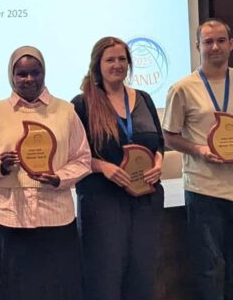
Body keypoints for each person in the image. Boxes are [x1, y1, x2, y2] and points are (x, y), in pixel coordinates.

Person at [162, 18, 233, 300]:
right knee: (207, 269)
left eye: (221, 41)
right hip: (204, 190)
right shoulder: (182, 88)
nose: (215, 47)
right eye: (209, 42)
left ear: (231, 44)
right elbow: (169, 137)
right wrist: (199, 150)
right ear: (197, 46)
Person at [0, 46, 92, 300]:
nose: (29, 79)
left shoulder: (65, 111)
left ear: (44, 72)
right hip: (9, 216)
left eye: (35, 72)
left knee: (56, 289)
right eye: (22, 74)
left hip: (55, 216)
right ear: (11, 76)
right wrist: (1, 166)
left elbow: (83, 159)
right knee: (12, 290)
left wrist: (59, 178)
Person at [71, 36, 164, 300]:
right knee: (105, 277)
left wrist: (158, 163)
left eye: (122, 59)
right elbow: (72, 156)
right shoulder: (82, 104)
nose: (117, 64)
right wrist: (102, 166)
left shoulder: (144, 98)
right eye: (110, 59)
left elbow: (158, 143)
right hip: (102, 202)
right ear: (97, 65)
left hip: (145, 200)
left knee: (142, 275)